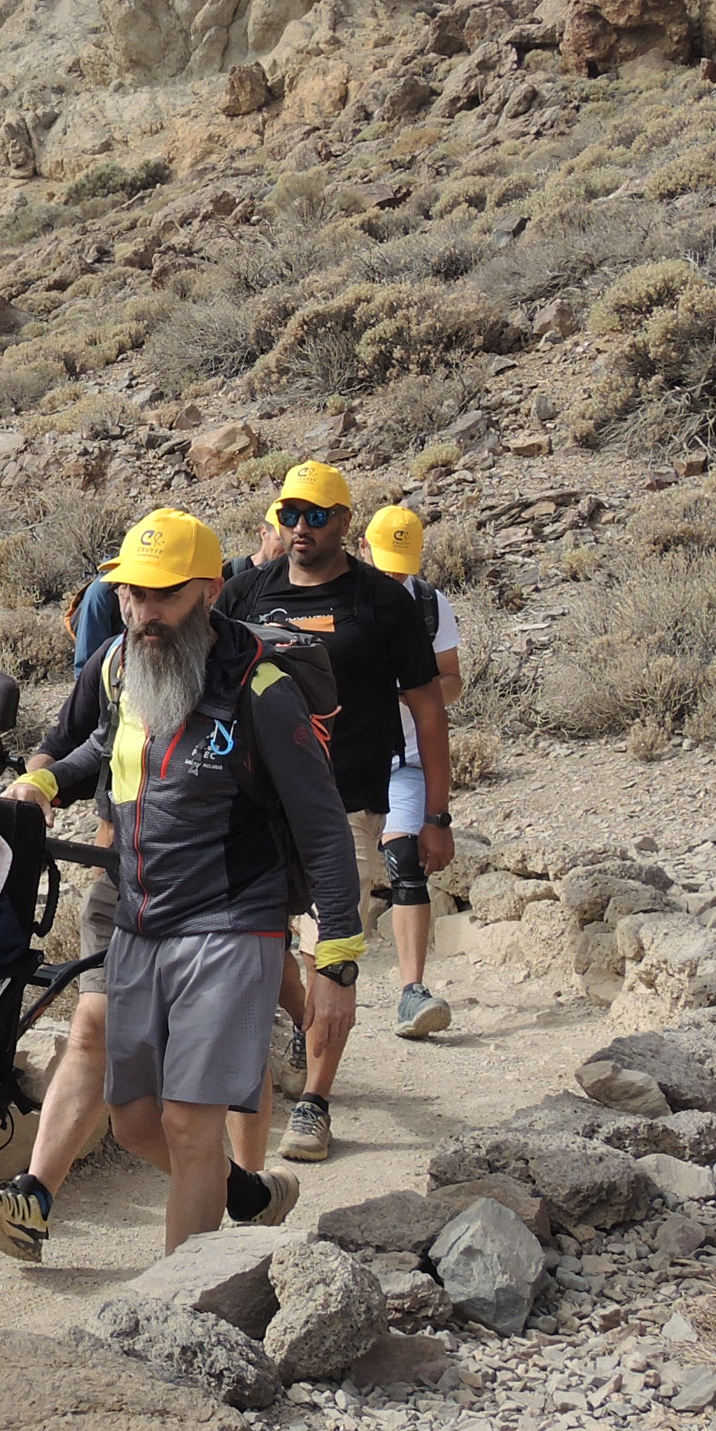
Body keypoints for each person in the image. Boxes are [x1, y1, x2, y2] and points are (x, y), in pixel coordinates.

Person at [0, 509, 359, 1253]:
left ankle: (178, 1305)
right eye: (132, 593)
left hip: (231, 921)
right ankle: (247, 1194)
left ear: (210, 591)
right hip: (140, 921)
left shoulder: (262, 691)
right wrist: (47, 784)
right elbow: (101, 745)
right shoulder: (121, 665)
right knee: (135, 1123)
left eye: (164, 594)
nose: (143, 611)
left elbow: (323, 827)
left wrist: (338, 962)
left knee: (190, 1122)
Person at [216, 462, 451, 1165]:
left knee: (332, 950)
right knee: (268, 947)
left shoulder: (382, 602)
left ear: (346, 521)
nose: (300, 528)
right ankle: (305, 1022)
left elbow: (429, 710)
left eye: (317, 515)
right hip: (255, 805)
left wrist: (436, 814)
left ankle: (315, 1100)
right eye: (289, 514)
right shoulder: (247, 592)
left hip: (345, 801)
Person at [364, 505, 465, 1041]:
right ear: (361, 548)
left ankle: (412, 990)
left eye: (402, 567)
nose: (394, 576)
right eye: (384, 565)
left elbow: (452, 682)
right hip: (346, 759)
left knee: (405, 863)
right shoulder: (337, 601)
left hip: (404, 758)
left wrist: (412, 692)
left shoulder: (429, 604)